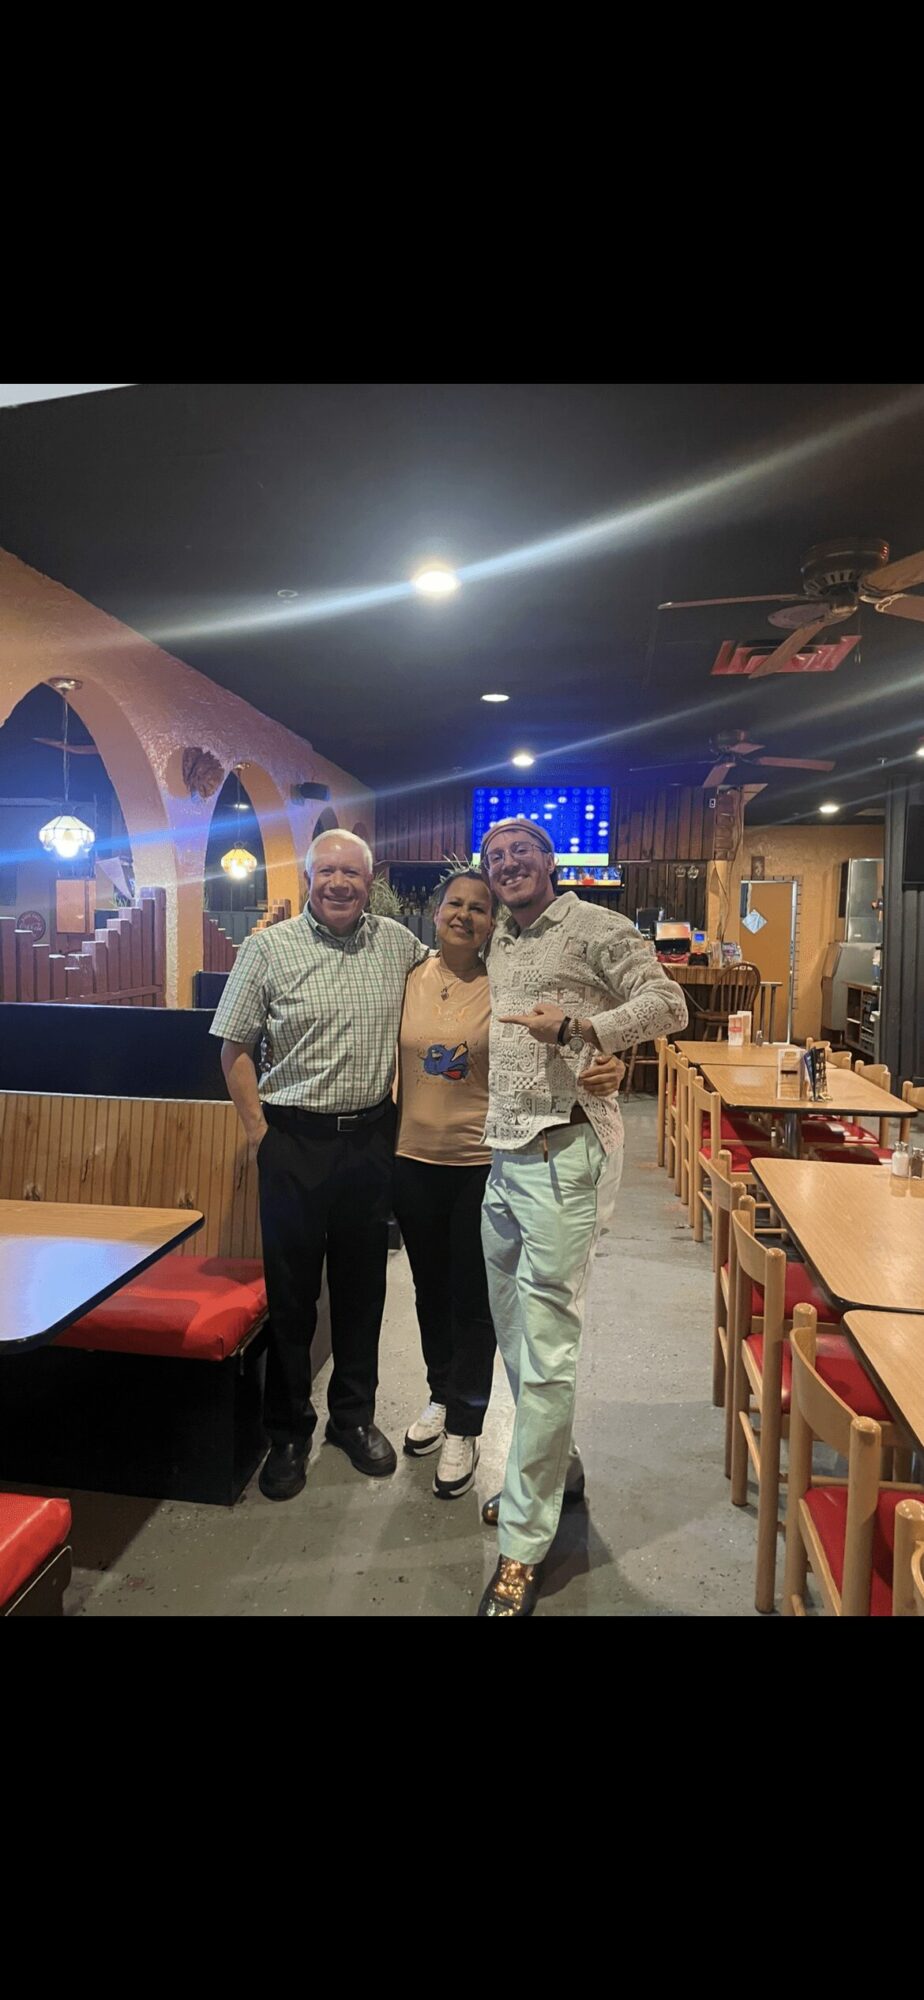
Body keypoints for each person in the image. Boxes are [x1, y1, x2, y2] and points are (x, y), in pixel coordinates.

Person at [475, 816, 689, 1617]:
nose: (507, 865)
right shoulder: (498, 938)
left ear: (551, 860)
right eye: (495, 857)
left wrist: (586, 1032)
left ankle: (524, 1543)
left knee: (551, 1344)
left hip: (565, 1156)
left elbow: (667, 1002)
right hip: (499, 1159)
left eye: (520, 852)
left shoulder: (594, 924)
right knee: (514, 1334)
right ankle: (556, 1469)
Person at [395, 866, 625, 1503]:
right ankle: (441, 1394)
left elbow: (581, 1020)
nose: (464, 915)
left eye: (478, 907)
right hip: (412, 1157)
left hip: (483, 1160)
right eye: (454, 904)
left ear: (493, 922)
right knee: (427, 1289)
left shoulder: (511, 977)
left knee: (476, 1301)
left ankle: (468, 1423)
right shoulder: (407, 974)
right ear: (437, 912)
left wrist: (608, 1060)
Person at [211, 829, 429, 1501]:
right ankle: (287, 1432)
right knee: (292, 1299)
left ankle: (352, 1420)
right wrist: (259, 1132)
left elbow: (453, 984)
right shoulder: (267, 949)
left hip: (370, 1141)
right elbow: (234, 1049)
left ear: (370, 880)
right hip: (294, 1142)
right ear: (309, 878)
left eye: (351, 873)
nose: (339, 882)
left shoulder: (398, 944)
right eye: (326, 871)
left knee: (364, 1293)